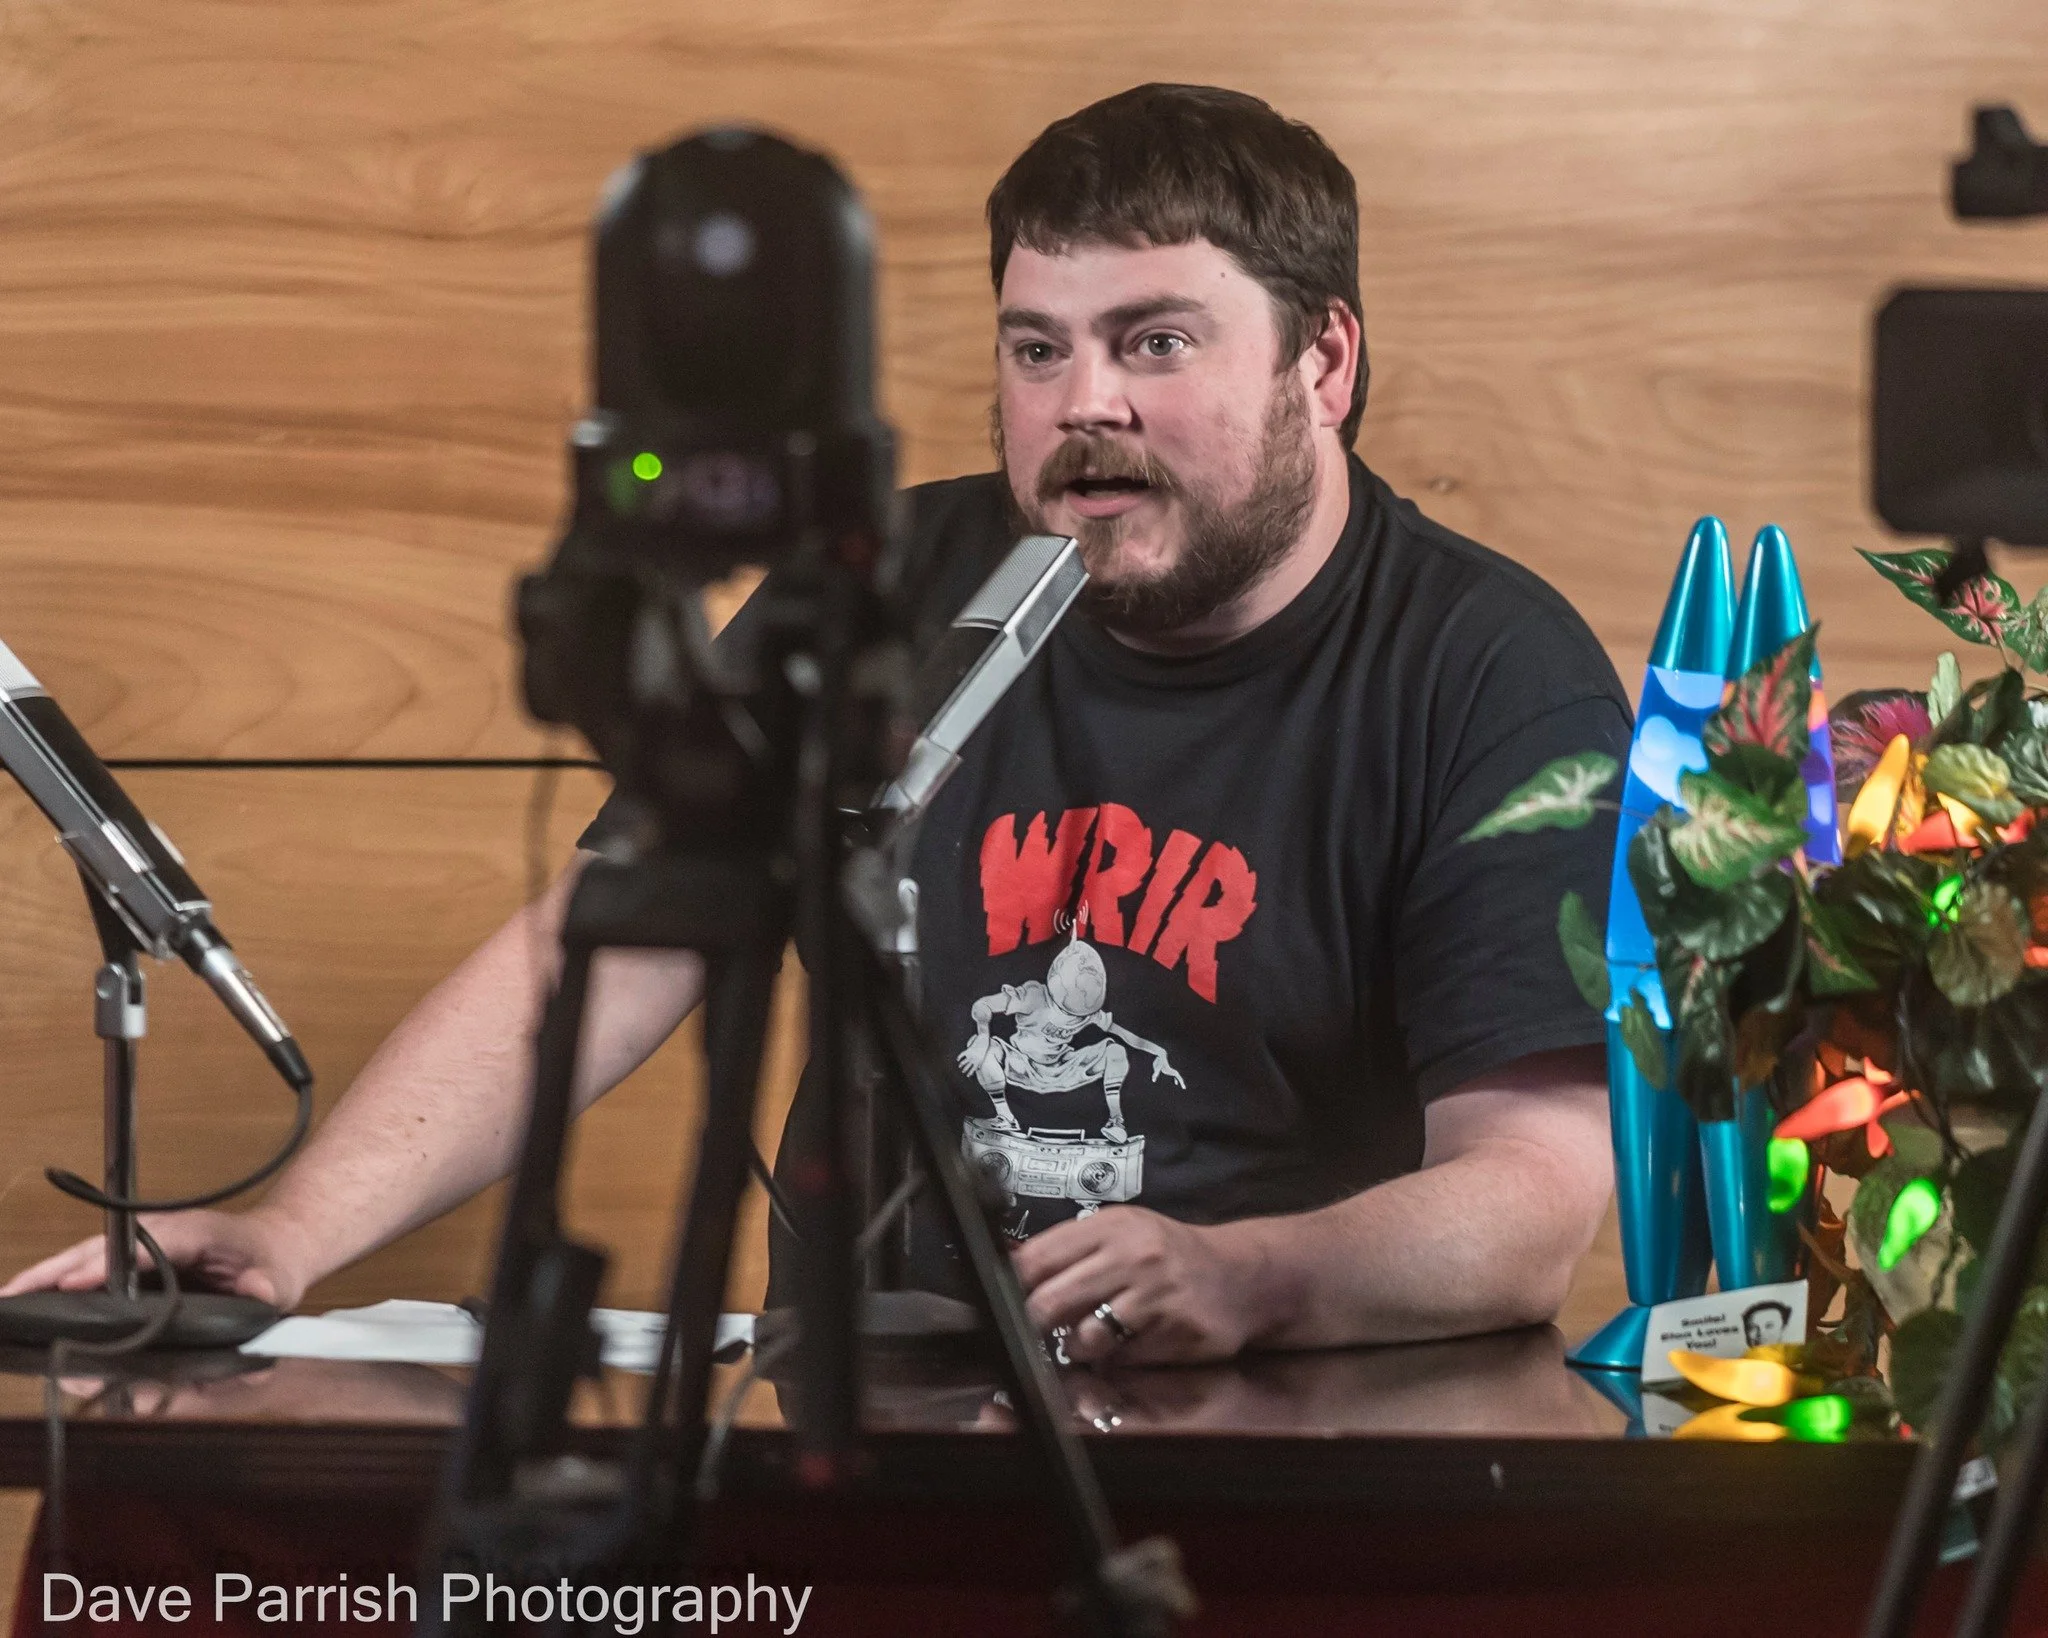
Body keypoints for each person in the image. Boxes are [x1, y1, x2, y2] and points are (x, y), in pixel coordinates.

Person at [5, 84, 1627, 1367]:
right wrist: (293, 1230)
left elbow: (1536, 1195)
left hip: (1288, 1441)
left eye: (1155, 341)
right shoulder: (893, 580)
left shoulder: (1487, 670)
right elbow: (620, 945)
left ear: (1324, 360)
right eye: (1036, 348)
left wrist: (1251, 1273)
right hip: (880, 1412)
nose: (1085, 408)